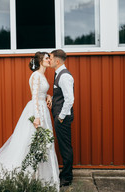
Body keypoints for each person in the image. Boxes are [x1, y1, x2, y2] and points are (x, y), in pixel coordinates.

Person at [0, 52, 60, 190]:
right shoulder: (36, 75)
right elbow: (34, 97)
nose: (49, 60)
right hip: (36, 111)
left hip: (42, 109)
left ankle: (41, 176)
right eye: (46, 58)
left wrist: (48, 95)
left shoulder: (42, 75)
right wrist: (37, 117)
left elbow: (40, 93)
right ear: (40, 61)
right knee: (29, 143)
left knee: (41, 144)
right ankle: (21, 175)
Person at [47, 49, 74, 187]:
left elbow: (69, 100)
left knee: (65, 147)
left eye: (50, 58)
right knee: (64, 146)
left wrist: (61, 117)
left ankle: (67, 177)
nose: (49, 60)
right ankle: (65, 174)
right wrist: (52, 97)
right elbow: (61, 96)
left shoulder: (64, 76)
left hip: (62, 118)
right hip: (60, 116)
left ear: (57, 61)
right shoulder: (59, 74)